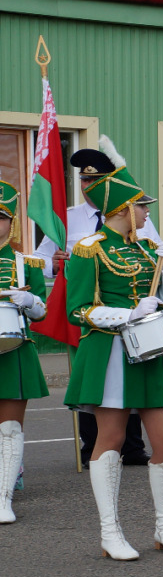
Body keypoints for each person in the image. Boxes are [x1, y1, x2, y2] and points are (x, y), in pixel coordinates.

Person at [63, 138, 163, 561]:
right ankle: (110, 531)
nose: (147, 212)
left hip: (152, 352)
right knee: (110, 439)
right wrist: (127, 314)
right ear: (121, 209)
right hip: (111, 353)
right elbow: (78, 309)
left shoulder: (149, 249)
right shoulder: (89, 249)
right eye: (142, 206)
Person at [40, 149, 163, 468]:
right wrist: (53, 265)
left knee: (134, 374)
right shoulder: (66, 217)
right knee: (95, 377)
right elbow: (40, 260)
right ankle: (92, 444)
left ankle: (133, 446)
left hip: (136, 313)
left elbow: (157, 257)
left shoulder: (136, 217)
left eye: (95, 180)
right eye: (84, 180)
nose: (87, 186)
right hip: (88, 306)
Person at [0, 181, 48, 525]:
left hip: (14, 350)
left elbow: (42, 312)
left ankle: (3, 496)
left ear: (12, 221)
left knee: (10, 427)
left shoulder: (25, 262)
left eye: (1, 216)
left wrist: (29, 300)